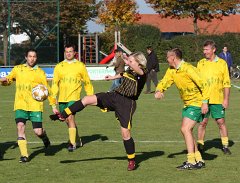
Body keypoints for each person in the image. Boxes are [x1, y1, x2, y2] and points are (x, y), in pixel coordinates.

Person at [50, 52, 148, 171]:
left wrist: (128, 61)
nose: (129, 63)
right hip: (114, 96)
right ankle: (63, 114)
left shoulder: (143, 73)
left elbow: (137, 70)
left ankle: (131, 160)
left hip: (127, 103)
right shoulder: (130, 69)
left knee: (125, 133)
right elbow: (124, 73)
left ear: (139, 62)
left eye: (132, 62)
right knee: (87, 99)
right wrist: (113, 77)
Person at [155, 48, 209, 170]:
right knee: (186, 131)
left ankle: (191, 161)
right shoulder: (172, 70)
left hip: (197, 103)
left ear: (173, 58)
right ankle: (199, 159)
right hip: (188, 104)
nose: (166, 59)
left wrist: (205, 102)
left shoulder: (188, 68)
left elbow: (204, 84)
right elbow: (165, 81)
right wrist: (159, 90)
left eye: (168, 57)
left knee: (185, 129)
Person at [0, 49, 51, 163]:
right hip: (20, 104)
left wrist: (53, 104)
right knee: (20, 126)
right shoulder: (18, 69)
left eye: (34, 56)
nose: (32, 58)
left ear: (36, 58)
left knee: (38, 131)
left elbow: (47, 88)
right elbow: (9, 80)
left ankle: (44, 137)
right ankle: (24, 155)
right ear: (26, 57)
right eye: (30, 56)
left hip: (35, 106)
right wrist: (4, 81)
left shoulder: (40, 72)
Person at [51, 44, 94, 152]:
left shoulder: (80, 65)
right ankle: (77, 138)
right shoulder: (59, 66)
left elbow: (87, 81)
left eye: (70, 51)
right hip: (62, 99)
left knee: (70, 117)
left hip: (74, 98)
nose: (68, 53)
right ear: (64, 53)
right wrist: (53, 99)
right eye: (66, 52)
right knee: (67, 120)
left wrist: (90, 96)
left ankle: (72, 143)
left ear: (74, 53)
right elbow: (55, 84)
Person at [197, 40, 231, 155]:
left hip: (218, 99)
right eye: (204, 49)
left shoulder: (222, 63)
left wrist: (226, 99)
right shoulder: (201, 63)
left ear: (213, 50)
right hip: (203, 100)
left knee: (221, 122)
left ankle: (225, 145)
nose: (204, 52)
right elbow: (197, 83)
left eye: (206, 49)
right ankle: (200, 145)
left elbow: (226, 83)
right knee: (203, 123)